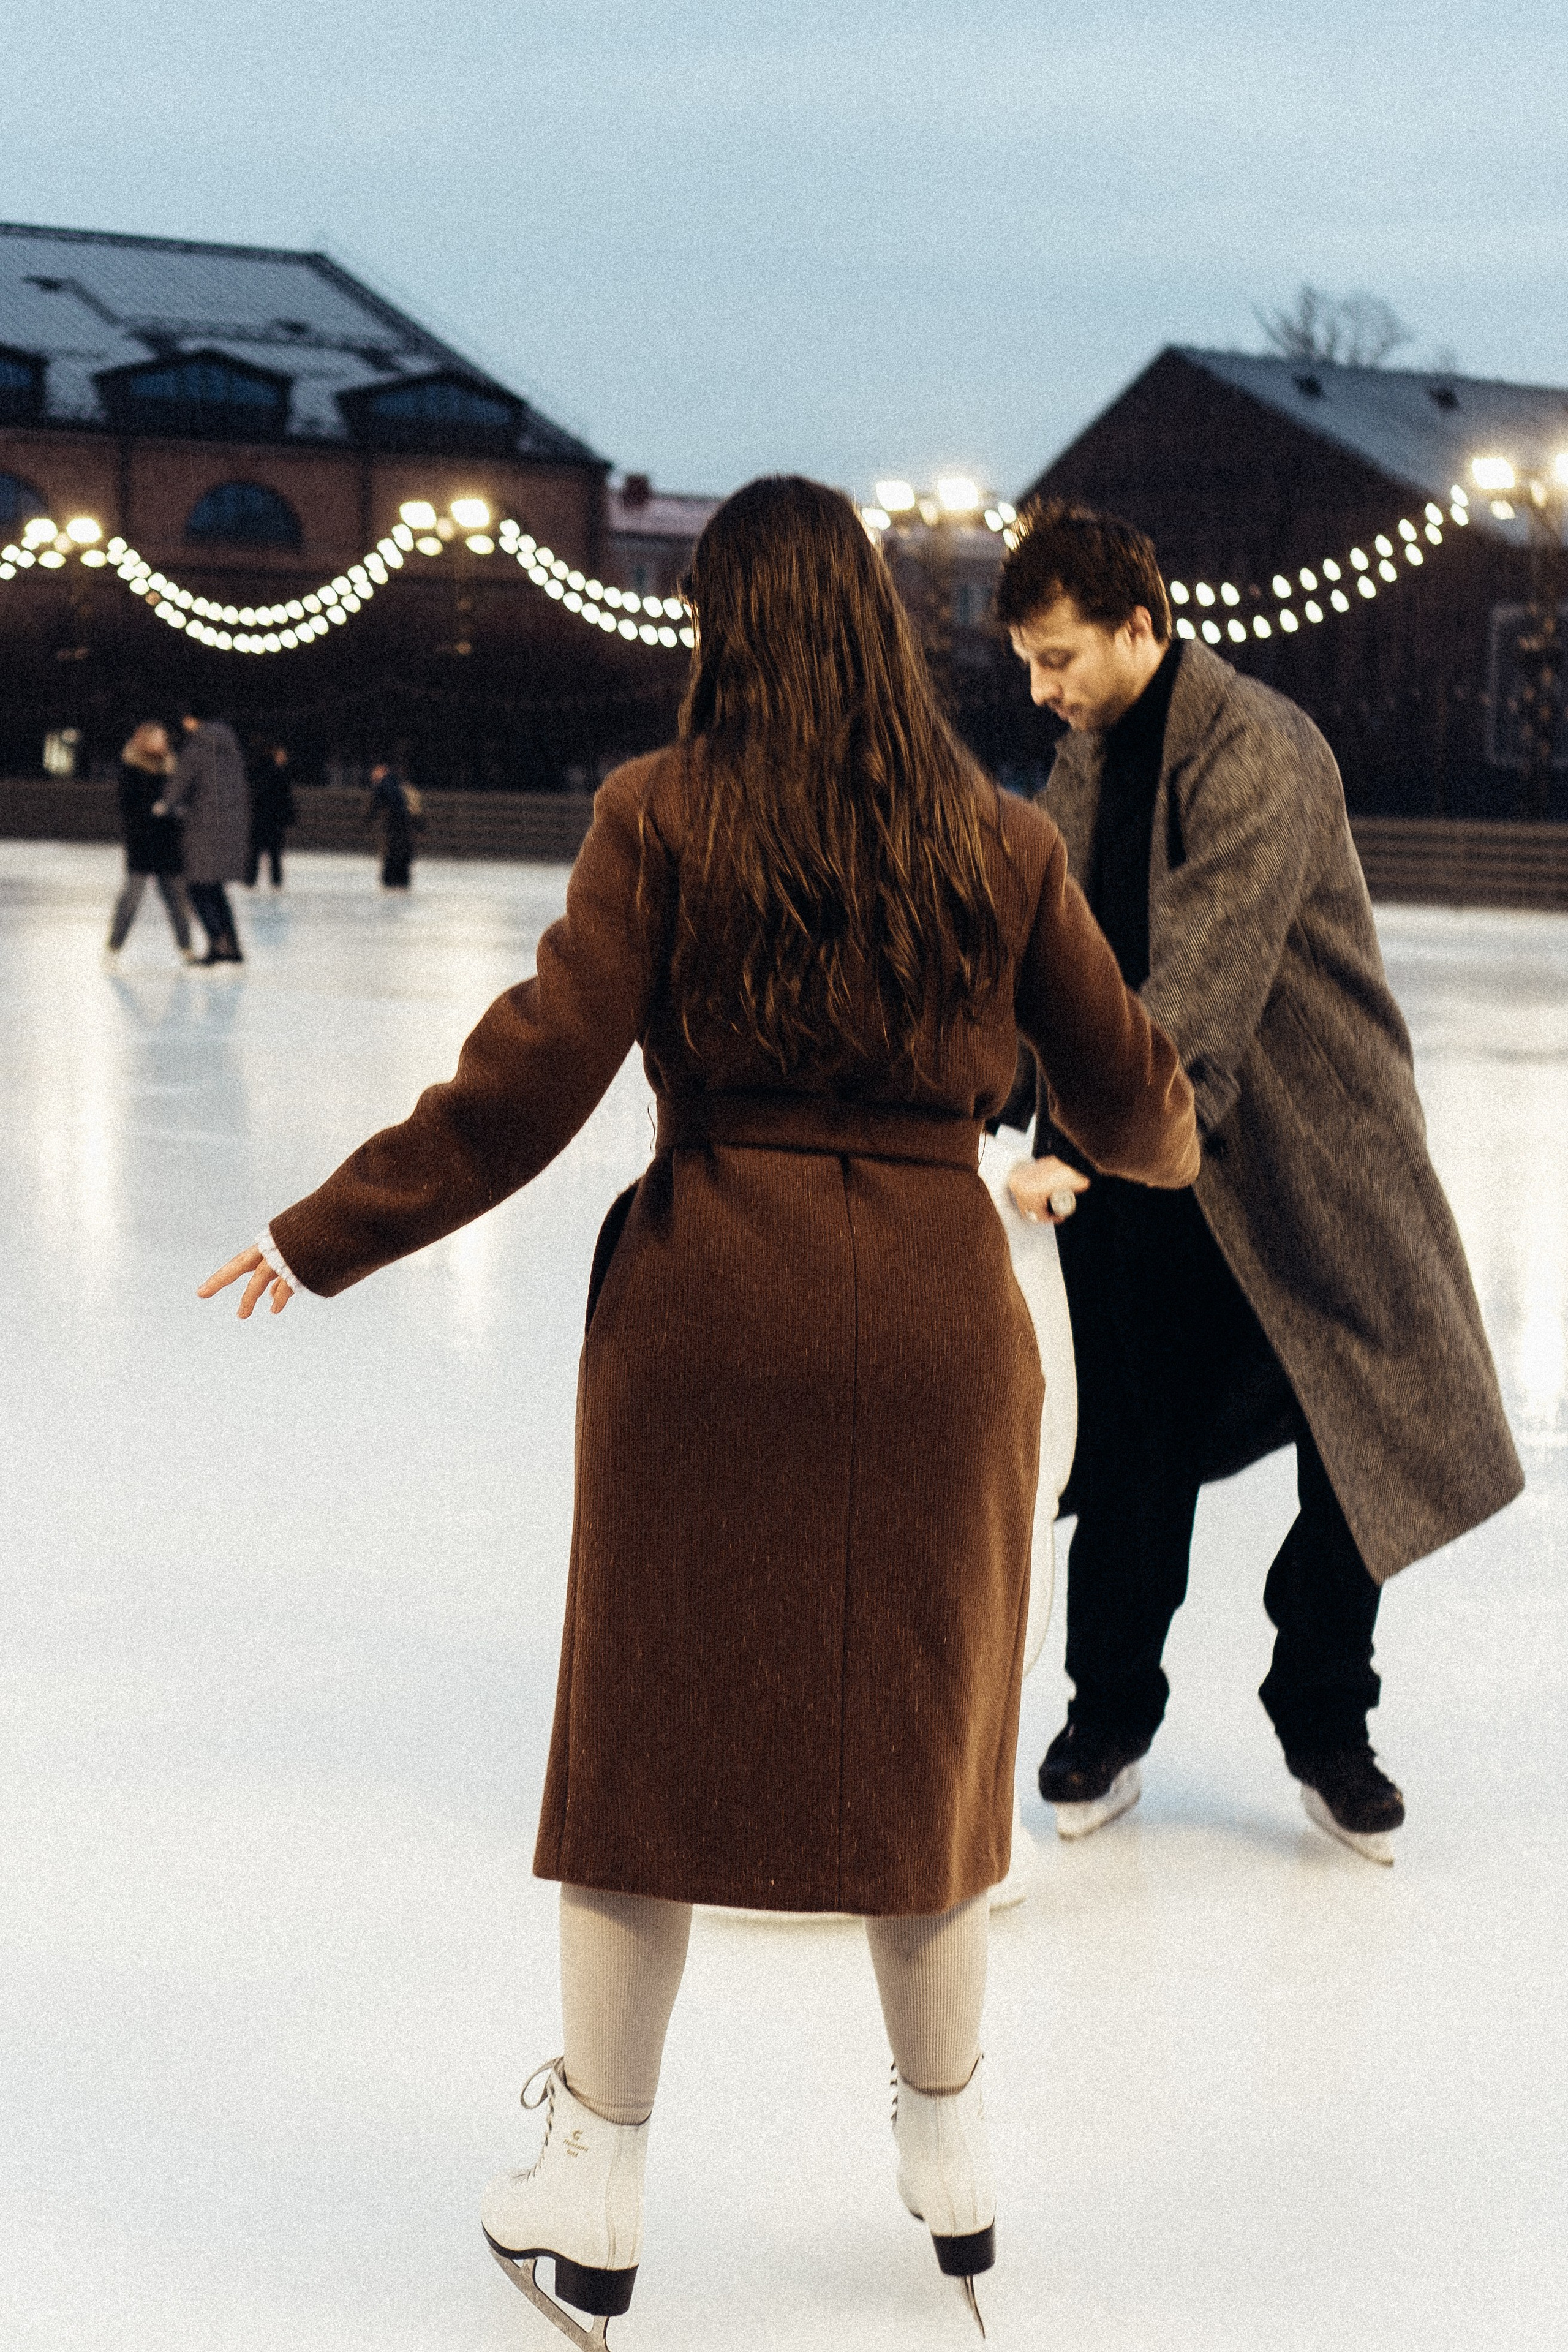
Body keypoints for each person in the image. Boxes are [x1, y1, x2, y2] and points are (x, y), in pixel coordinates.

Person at [199, 477, 1197, 2340]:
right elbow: (1133, 1096)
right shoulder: (993, 836)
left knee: (641, 1758)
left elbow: (529, 1080)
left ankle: (591, 2189)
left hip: (705, 1315)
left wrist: (324, 1228)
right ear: (882, 625)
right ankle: (953, 2163)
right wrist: (1161, 1130)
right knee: (930, 1729)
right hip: (930, 1320)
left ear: (724, 628)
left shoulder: (658, 815)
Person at [995, 499, 1523, 1863]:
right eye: (1026, 665)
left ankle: (1323, 1718)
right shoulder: (1090, 758)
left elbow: (1200, 989)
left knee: (1363, 1413)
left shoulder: (1258, 751)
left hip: (1309, 1153)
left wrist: (1068, 1139)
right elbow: (1052, 964)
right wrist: (993, 1093)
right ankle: (1104, 1716)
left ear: (1138, 625)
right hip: (1146, 1156)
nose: (1038, 691)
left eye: (1056, 659)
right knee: (1128, 1449)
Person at [161, 701, 250, 963]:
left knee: (196, 887)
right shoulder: (230, 750)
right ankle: (231, 946)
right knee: (214, 889)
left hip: (204, 829)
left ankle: (219, 943)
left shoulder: (197, 748)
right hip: (231, 829)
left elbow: (179, 787)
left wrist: (163, 806)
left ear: (190, 720)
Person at [104, 721, 197, 960]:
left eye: (163, 739)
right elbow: (128, 806)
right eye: (156, 739)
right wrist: (152, 812)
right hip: (142, 843)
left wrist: (175, 814)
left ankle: (187, 948)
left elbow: (183, 800)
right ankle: (114, 947)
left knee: (178, 900)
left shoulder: (172, 768)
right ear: (144, 741)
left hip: (168, 843)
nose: (162, 743)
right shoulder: (131, 769)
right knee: (131, 899)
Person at [246, 742, 295, 889]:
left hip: (265, 818)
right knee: (271, 852)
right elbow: (284, 799)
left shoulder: (267, 773)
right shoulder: (277, 775)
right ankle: (273, 880)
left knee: (260, 852)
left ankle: (253, 879)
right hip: (270, 819)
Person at [366, 760, 420, 888]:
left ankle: (391, 879)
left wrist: (367, 822)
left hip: (395, 822)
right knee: (402, 851)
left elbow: (375, 806)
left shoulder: (384, 785)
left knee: (393, 851)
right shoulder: (398, 785)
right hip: (404, 822)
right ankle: (401, 879)